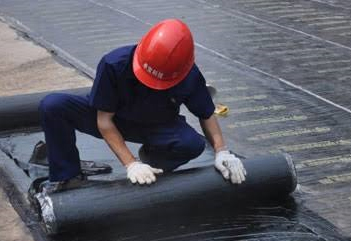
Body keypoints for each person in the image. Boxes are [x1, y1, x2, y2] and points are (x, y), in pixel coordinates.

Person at [38, 18, 246, 193]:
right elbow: (104, 120)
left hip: (156, 125)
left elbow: (207, 114)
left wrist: (222, 151)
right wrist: (131, 164)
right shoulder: (114, 64)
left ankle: (153, 165)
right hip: (113, 117)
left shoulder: (189, 75)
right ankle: (68, 176)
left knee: (192, 144)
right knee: (54, 105)